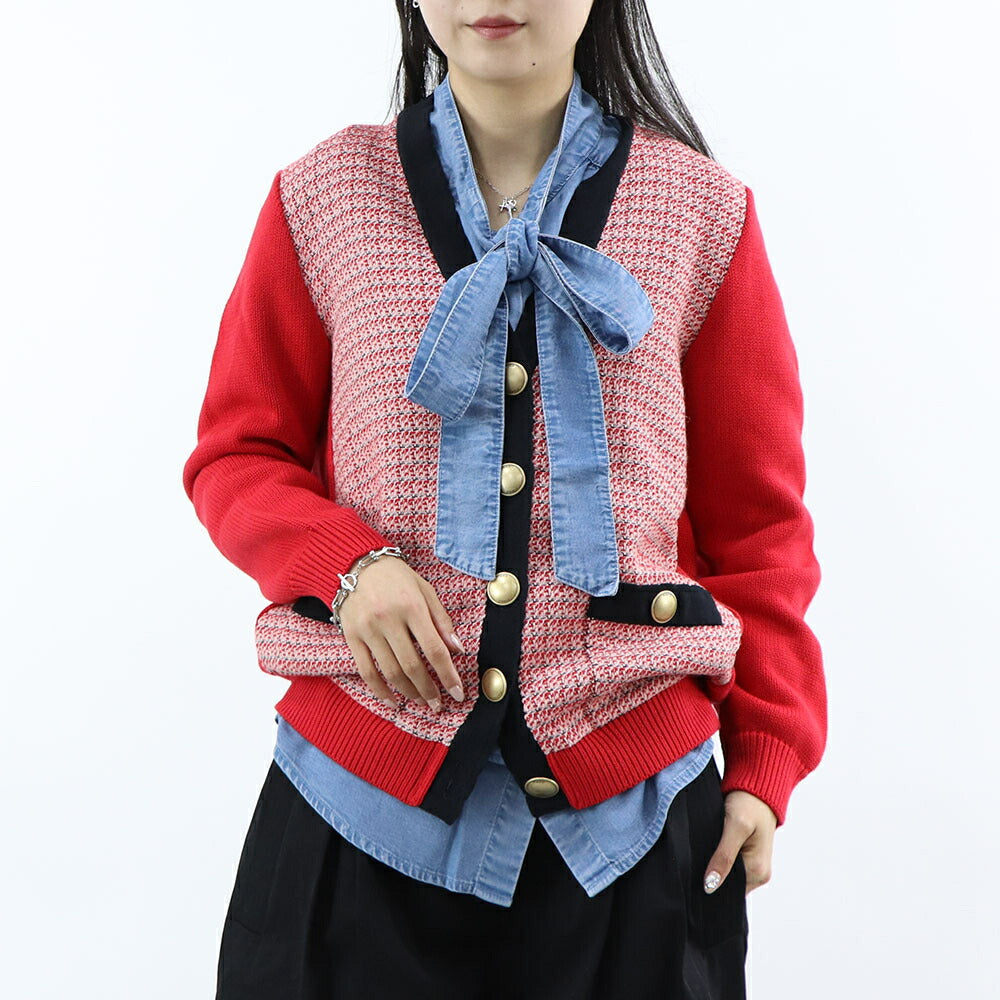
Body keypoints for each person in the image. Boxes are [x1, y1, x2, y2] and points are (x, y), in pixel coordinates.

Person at [182, 1, 827, 997]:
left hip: (636, 824)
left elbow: (760, 526)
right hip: (359, 807)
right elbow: (239, 453)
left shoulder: (701, 213)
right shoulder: (324, 198)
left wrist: (764, 757)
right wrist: (347, 568)